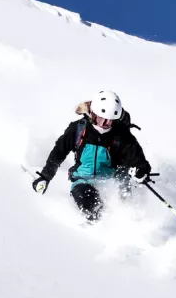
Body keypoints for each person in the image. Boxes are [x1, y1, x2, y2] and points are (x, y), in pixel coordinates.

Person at [31, 91, 152, 221]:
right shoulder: (78, 129)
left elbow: (138, 158)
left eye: (108, 121)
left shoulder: (121, 136)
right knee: (93, 210)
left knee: (125, 206)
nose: (103, 125)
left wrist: (141, 171)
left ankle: (132, 223)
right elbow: (58, 152)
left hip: (112, 181)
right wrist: (45, 176)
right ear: (92, 113)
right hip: (83, 180)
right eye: (100, 119)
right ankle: (96, 232)